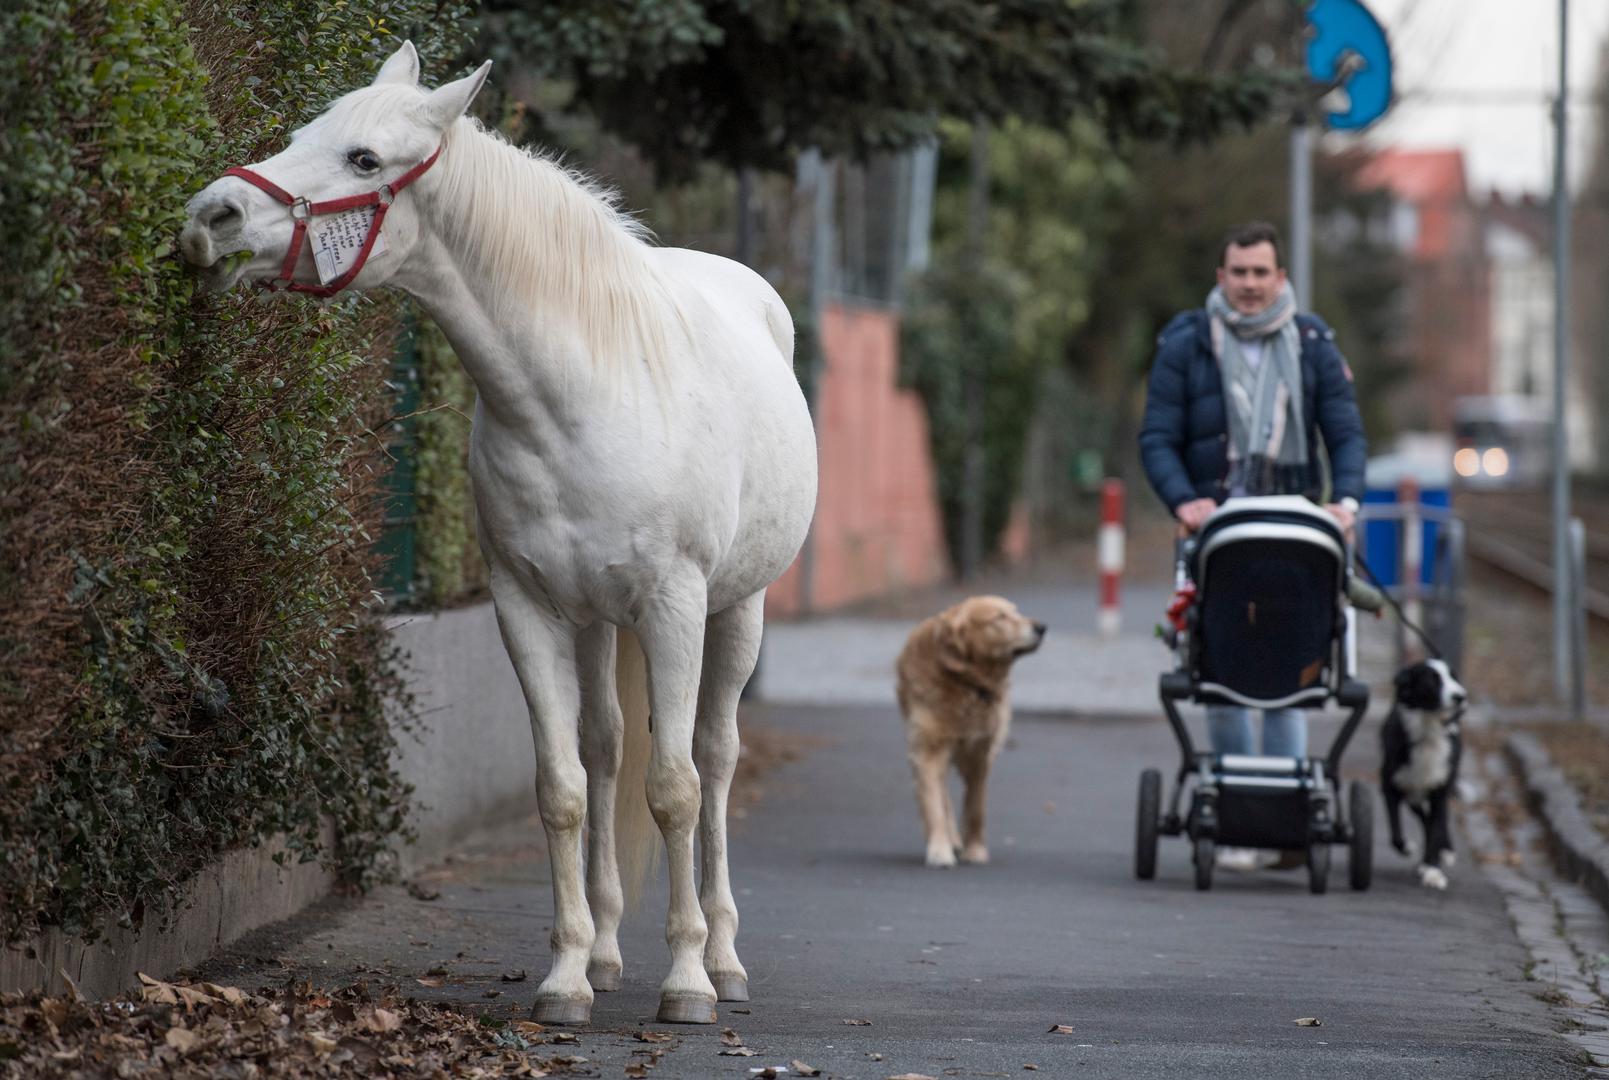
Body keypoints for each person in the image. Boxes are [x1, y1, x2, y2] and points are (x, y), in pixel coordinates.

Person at [1139, 222, 1367, 863]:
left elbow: (1346, 434)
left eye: (1260, 273)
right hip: (1220, 529)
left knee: (1293, 661)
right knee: (1223, 662)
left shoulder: (1313, 341)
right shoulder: (1186, 343)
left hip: (1296, 530)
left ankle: (1288, 817)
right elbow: (1157, 435)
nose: (1248, 285)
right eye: (1237, 273)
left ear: (1280, 278)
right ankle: (1238, 812)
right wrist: (1184, 499)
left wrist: (1344, 504)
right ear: (1221, 277)